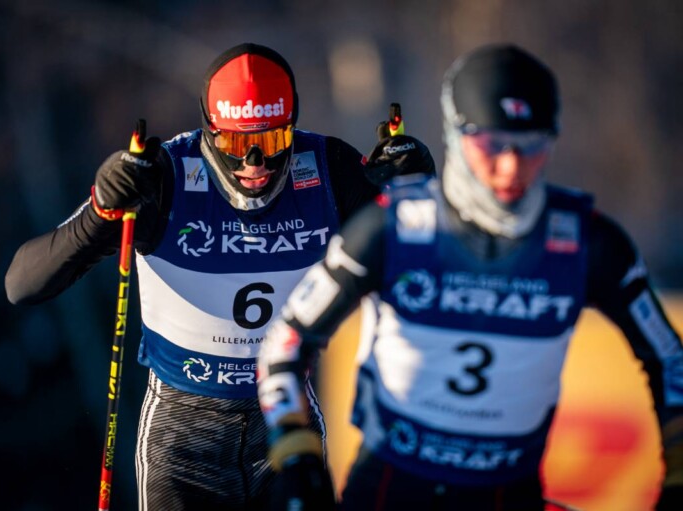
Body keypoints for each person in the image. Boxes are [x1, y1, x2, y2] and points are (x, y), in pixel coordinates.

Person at [5, 42, 433, 510]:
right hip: (184, 437)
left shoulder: (330, 170)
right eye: (234, 143)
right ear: (209, 130)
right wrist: (101, 214)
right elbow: (23, 285)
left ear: (293, 127)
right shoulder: (163, 177)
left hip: (285, 422)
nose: (254, 163)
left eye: (271, 142)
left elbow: (425, 275)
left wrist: (416, 197)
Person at [256, 43, 683, 510]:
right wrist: (297, 460)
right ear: (455, 135)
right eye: (490, 145)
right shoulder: (393, 226)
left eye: (532, 146)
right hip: (388, 490)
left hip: (508, 493)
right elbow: (287, 343)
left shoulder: (588, 240)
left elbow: (669, 359)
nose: (510, 168)